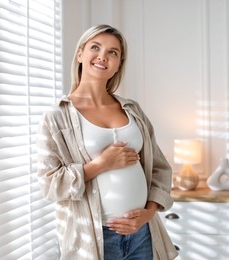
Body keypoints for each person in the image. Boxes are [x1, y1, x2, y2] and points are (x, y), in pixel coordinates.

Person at [37, 24, 178, 260]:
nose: (103, 56)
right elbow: (50, 185)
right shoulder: (57, 116)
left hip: (142, 233)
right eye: (95, 47)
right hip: (93, 238)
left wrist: (148, 213)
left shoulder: (132, 110)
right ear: (80, 54)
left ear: (118, 64)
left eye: (113, 52)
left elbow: (160, 169)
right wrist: (101, 163)